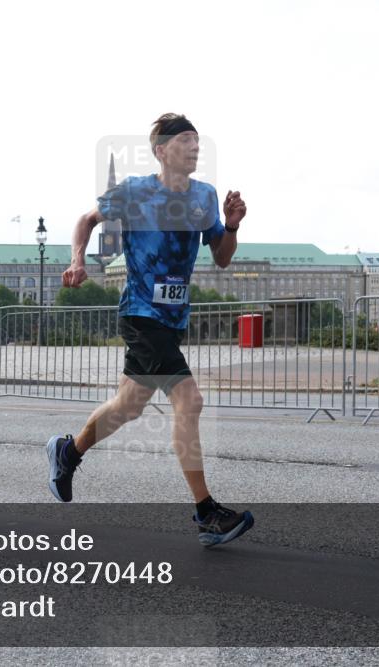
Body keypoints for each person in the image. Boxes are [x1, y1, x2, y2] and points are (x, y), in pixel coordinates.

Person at [47, 113, 253, 546]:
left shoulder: (204, 196)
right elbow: (87, 219)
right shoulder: (135, 191)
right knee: (189, 400)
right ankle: (205, 514)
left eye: (198, 140)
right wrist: (77, 259)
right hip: (140, 313)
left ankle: (68, 452)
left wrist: (231, 226)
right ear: (161, 150)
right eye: (185, 140)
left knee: (126, 407)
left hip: (172, 319)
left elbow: (221, 256)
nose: (195, 147)